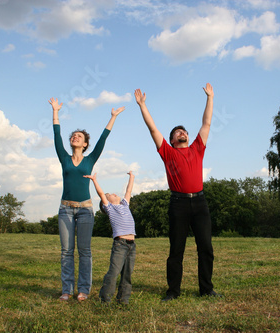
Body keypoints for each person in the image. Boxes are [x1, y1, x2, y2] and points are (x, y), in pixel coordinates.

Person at [134, 83, 221, 301]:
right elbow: (153, 129)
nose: (181, 133)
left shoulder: (197, 148)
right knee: (176, 251)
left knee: (206, 249)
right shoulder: (167, 152)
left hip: (200, 204)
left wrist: (210, 97)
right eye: (177, 132)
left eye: (183, 131)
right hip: (178, 204)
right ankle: (173, 291)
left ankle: (206, 289)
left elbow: (207, 123)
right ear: (172, 140)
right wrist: (143, 106)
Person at [49, 97, 125, 302]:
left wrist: (113, 117)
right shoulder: (64, 158)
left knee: (84, 251)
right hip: (65, 209)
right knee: (66, 252)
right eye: (73, 135)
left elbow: (103, 140)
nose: (75, 137)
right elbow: (56, 134)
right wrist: (55, 111)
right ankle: (66, 290)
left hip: (85, 210)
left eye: (79, 136)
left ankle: (83, 289)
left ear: (85, 144)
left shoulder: (91, 159)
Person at [84, 171, 136, 305]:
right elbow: (101, 194)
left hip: (132, 245)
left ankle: (123, 300)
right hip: (120, 245)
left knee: (127, 274)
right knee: (114, 272)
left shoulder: (125, 204)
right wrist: (94, 180)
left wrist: (132, 177)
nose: (113, 194)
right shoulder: (111, 209)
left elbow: (129, 191)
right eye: (109, 195)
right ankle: (105, 300)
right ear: (105, 203)